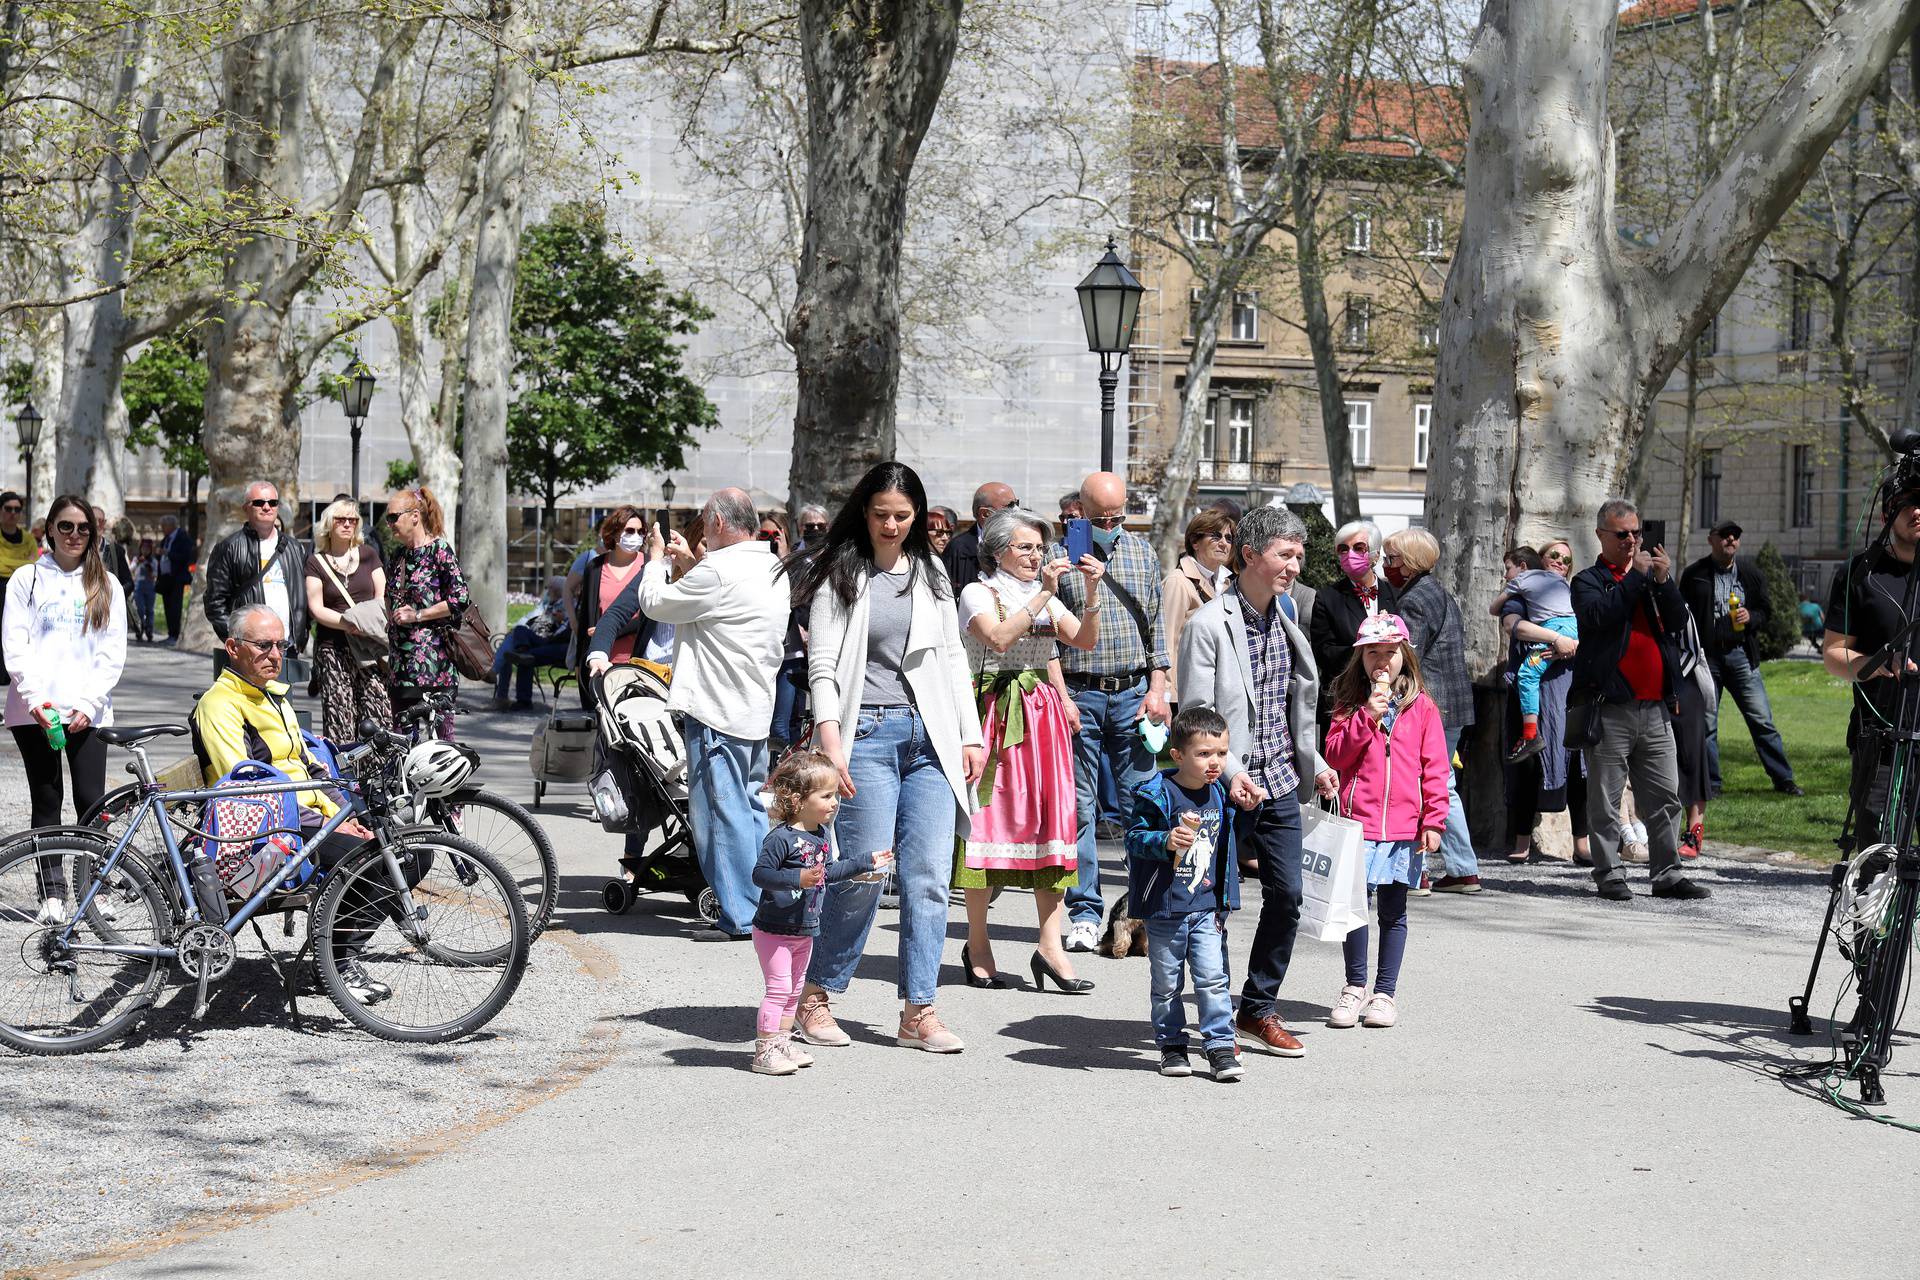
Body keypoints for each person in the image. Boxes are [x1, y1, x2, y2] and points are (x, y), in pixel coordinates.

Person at [788, 462, 985, 1055]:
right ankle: (816, 993)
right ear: (864, 514)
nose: (893, 526)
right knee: (866, 872)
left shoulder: (930, 573)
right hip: (864, 736)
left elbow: (953, 656)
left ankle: (919, 1009)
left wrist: (970, 734)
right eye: (882, 516)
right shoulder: (840, 575)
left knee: (928, 878)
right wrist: (830, 741)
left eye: (904, 516)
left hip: (930, 737)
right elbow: (821, 664)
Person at [589, 488, 787, 941]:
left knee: (720, 815)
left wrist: (657, 560)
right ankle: (762, 906)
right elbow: (718, 601)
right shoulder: (771, 565)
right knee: (752, 810)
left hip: (717, 709)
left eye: (704, 519)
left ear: (717, 522)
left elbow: (655, 603)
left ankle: (737, 915)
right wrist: (687, 566)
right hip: (753, 707)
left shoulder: (719, 569)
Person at [1177, 505, 1337, 1057]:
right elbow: (1197, 713)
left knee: (1288, 896)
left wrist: (1313, 762)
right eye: (1285, 555)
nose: (1295, 565)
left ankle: (1257, 1008)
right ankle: (1216, 1017)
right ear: (1251, 555)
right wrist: (1234, 773)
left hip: (1283, 780)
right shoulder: (1207, 624)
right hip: (1223, 785)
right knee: (1211, 904)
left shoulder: (1288, 614)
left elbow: (1294, 704)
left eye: (1298, 554)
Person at [191, 603, 394, 1003]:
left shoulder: (273, 697)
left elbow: (311, 769)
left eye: (280, 645)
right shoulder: (221, 704)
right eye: (263, 645)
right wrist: (335, 823)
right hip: (267, 829)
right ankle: (337, 962)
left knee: (409, 852)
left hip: (306, 816)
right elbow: (249, 791)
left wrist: (344, 813)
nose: (275, 654)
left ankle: (336, 955)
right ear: (232, 647)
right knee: (380, 861)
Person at [954, 507, 1104, 991]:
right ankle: (978, 942)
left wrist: (1092, 592)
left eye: (1040, 547)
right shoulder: (979, 592)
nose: (1035, 554)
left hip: (1042, 717)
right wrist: (1043, 592)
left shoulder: (1041, 593)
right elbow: (997, 640)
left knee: (1050, 823)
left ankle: (1050, 946)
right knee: (987, 825)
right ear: (998, 550)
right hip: (994, 712)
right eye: (1025, 546)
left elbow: (1083, 640)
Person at [1050, 470, 1171, 953]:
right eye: (1100, 517)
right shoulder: (1060, 560)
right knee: (1079, 807)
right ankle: (1084, 912)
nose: (1110, 524)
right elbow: (1047, 640)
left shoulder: (1142, 553)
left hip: (1133, 692)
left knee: (1143, 802)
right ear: (1079, 511)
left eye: (1118, 516)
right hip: (1080, 691)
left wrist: (1158, 687)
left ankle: (1144, 908)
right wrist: (1060, 695)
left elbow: (1158, 628)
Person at [1570, 499, 1710, 901]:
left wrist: (1664, 583)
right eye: (1622, 534)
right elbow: (1600, 616)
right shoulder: (1589, 580)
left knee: (1666, 795)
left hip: (1655, 707)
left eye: (1636, 533)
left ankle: (1667, 874)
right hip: (1609, 708)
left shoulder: (1652, 578)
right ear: (1601, 536)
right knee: (1605, 797)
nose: (1632, 540)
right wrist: (1638, 579)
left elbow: (1679, 622)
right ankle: (1609, 873)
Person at [1321, 614, 1448, 1030]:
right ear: (1359, 657)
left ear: (1404, 657)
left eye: (1390, 653)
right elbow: (1336, 757)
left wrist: (1434, 820)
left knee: (1394, 912)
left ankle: (1384, 994)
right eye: (1373, 652)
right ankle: (1354, 986)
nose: (1382, 661)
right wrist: (1366, 718)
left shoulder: (1422, 707)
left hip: (1402, 829)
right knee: (1355, 910)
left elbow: (1435, 768)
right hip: (1359, 825)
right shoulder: (1348, 705)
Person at [4, 495, 126, 923]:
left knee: (92, 802)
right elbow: (14, 645)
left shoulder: (107, 584)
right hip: (34, 709)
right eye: (66, 526)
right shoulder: (26, 579)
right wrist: (37, 702)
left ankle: (97, 887)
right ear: (50, 529)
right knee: (47, 799)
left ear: (93, 534)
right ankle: (51, 893)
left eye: (83, 528)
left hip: (88, 711)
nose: (75, 535)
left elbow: (112, 651)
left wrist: (90, 704)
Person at [749, 751, 891, 1076]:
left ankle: (782, 1042)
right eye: (826, 796)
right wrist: (796, 879)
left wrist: (865, 862)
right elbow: (761, 875)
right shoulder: (781, 838)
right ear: (798, 799)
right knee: (779, 988)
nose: (834, 803)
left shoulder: (821, 835)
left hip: (805, 928)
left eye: (835, 796)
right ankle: (765, 1050)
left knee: (795, 990)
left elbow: (829, 872)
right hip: (775, 929)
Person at [1125, 705, 1244, 1082]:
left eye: (1222, 753)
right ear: (1178, 755)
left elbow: (1230, 844)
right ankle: (1172, 1045)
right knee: (1166, 983)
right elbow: (1133, 838)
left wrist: (1250, 808)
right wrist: (1164, 840)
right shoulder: (1158, 793)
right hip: (1165, 910)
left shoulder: (1220, 795)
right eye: (1204, 753)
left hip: (1206, 907)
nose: (1215, 762)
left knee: (1212, 978)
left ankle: (1220, 1046)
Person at [1383, 527, 1479, 894]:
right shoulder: (1440, 592)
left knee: (1418, 783)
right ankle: (1462, 868)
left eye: (1391, 559)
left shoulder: (1414, 600)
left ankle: (1417, 870)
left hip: (1429, 706)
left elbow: (1408, 657)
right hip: (1453, 703)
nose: (1387, 565)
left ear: (1407, 564)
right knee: (1441, 783)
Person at [1824, 481, 1920, 845]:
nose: (1917, 511)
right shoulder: (1861, 573)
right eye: (1908, 503)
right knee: (1877, 856)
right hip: (1880, 736)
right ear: (1885, 516)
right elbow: (1834, 655)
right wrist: (1877, 663)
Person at [1679, 519, 1801, 797]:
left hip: (1741, 656)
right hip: (1707, 658)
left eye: (1735, 536)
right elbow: (1680, 612)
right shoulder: (1695, 574)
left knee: (1762, 721)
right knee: (1707, 723)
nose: (1730, 540)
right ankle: (1712, 784)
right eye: (1724, 536)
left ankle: (1784, 779)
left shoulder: (1750, 573)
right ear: (1711, 540)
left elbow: (1766, 611)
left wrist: (1751, 617)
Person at [1503, 541, 1590, 866]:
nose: (1561, 562)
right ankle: (1522, 840)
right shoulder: (1524, 594)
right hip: (1534, 693)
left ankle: (1581, 844)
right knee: (1528, 763)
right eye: (1554, 555)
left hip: (1570, 688)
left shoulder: (1572, 594)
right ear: (1540, 560)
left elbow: (1592, 631)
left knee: (1578, 764)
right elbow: (1514, 626)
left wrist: (1576, 645)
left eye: (1567, 558)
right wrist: (1555, 639)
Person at [383, 485, 469, 740]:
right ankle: (405, 782)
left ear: (414, 516)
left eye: (393, 517)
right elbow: (390, 595)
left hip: (435, 663)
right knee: (402, 741)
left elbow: (459, 598)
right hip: (401, 666)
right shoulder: (398, 555)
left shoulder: (439, 551)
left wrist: (418, 615)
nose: (389, 524)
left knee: (442, 742)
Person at [304, 499, 391, 742]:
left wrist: (368, 624)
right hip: (334, 648)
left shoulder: (369, 555)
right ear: (328, 525)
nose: (347, 524)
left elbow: (383, 596)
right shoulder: (316, 562)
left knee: (378, 712)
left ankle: (376, 776)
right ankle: (344, 777)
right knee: (339, 717)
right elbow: (316, 609)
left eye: (352, 520)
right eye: (340, 520)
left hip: (369, 648)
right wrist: (350, 624)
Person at [202, 481, 306, 675]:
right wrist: (239, 641)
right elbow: (215, 603)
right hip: (251, 653)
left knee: (281, 705)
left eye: (273, 502)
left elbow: (304, 596)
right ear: (246, 508)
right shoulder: (229, 548)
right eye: (259, 502)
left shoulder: (295, 548)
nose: (266, 507)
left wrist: (301, 635)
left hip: (286, 649)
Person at [1491, 548, 1579, 761]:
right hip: (1572, 628)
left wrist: (1512, 589)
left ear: (1522, 566)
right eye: (1555, 556)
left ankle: (1530, 735)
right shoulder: (1562, 584)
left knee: (1528, 674)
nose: (1506, 575)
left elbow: (1494, 609)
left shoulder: (1521, 580)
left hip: (1555, 629)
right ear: (1541, 559)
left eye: (1508, 569)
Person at [1311, 518, 1399, 720]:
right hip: (1345, 699)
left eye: (1358, 548)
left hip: (1391, 697)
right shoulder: (1327, 598)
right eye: (1343, 549)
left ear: (1374, 555)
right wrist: (1369, 654)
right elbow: (1324, 651)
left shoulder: (1395, 594)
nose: (1349, 555)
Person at [569, 506, 652, 699]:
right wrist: (579, 661)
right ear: (614, 533)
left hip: (638, 662)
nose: (636, 536)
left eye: (641, 532)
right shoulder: (596, 567)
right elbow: (586, 614)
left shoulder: (650, 566)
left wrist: (614, 629)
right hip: (601, 662)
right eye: (630, 531)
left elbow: (651, 616)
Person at [1162, 507, 1235, 706]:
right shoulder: (1178, 582)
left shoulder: (1226, 584)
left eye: (1229, 538)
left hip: (1216, 693)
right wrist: (1166, 695)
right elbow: (1166, 641)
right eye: (1215, 536)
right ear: (1195, 542)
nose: (1224, 543)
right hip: (1182, 696)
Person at [489, 575, 570, 710]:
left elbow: (568, 625)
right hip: (535, 638)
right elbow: (528, 618)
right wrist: (514, 631)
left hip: (549, 639)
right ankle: (520, 649)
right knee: (517, 634)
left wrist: (561, 618)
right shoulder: (546, 604)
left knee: (518, 650)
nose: (547, 591)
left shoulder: (566, 604)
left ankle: (496, 677)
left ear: (556, 590)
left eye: (549, 588)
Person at [939, 480, 1017, 597]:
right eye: (1010, 506)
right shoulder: (958, 549)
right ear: (985, 514)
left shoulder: (1022, 544)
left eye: (1017, 504)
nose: (1017, 511)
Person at [157, 513, 195, 644]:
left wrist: (168, 553)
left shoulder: (182, 537)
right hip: (165, 578)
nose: (162, 528)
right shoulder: (166, 539)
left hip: (177, 577)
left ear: (170, 525)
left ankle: (175, 635)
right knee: (167, 606)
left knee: (175, 607)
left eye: (163, 526)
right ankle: (170, 634)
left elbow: (185, 556)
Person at [131, 537, 158, 643]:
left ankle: (149, 630)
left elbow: (155, 575)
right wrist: (137, 562)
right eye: (143, 548)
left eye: (147, 548)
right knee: (140, 609)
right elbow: (131, 568)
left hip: (150, 588)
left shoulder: (154, 561)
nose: (145, 550)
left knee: (150, 610)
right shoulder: (136, 559)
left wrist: (149, 568)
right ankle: (139, 629)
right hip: (139, 588)